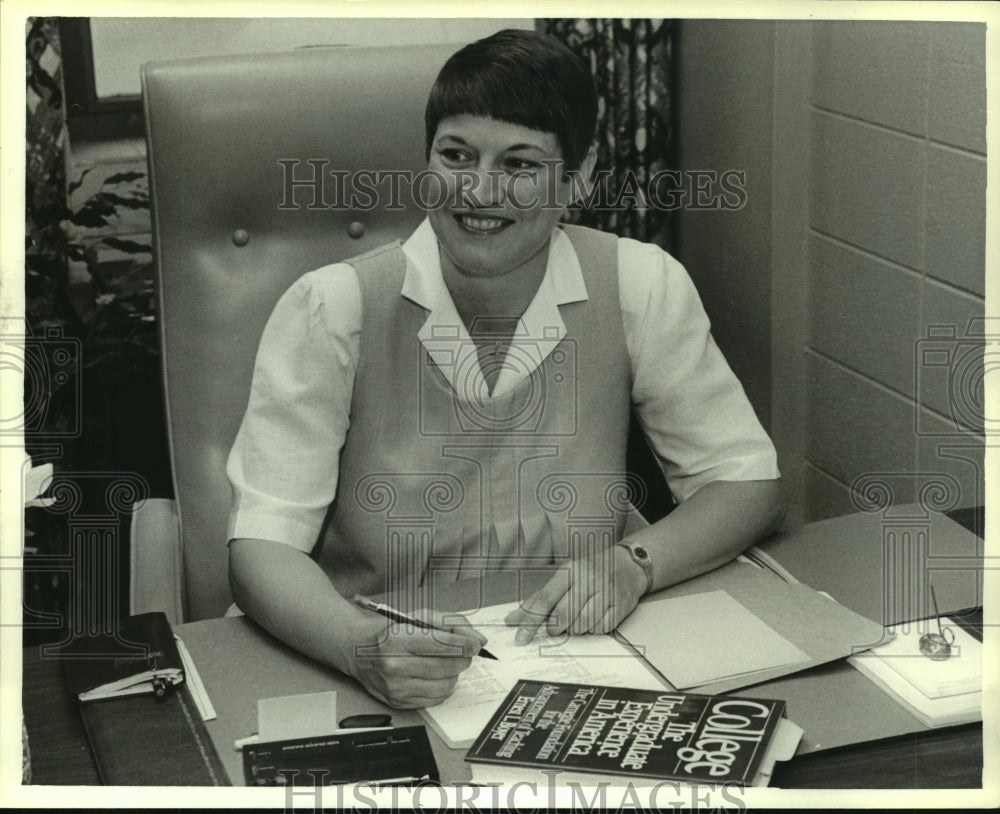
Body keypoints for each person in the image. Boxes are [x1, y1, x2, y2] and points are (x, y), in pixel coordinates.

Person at [226, 29, 783, 710]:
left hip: (586, 663)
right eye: (456, 155)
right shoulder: (332, 308)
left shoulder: (640, 285)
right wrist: (360, 647)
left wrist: (633, 565)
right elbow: (260, 552)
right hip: (370, 669)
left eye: (521, 165)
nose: (480, 190)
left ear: (576, 178)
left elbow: (745, 481)